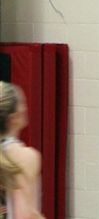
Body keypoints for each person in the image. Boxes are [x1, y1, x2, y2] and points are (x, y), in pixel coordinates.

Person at [0, 82, 44, 219]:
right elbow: (24, 214)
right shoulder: (24, 157)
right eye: (22, 104)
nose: (25, 108)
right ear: (13, 118)